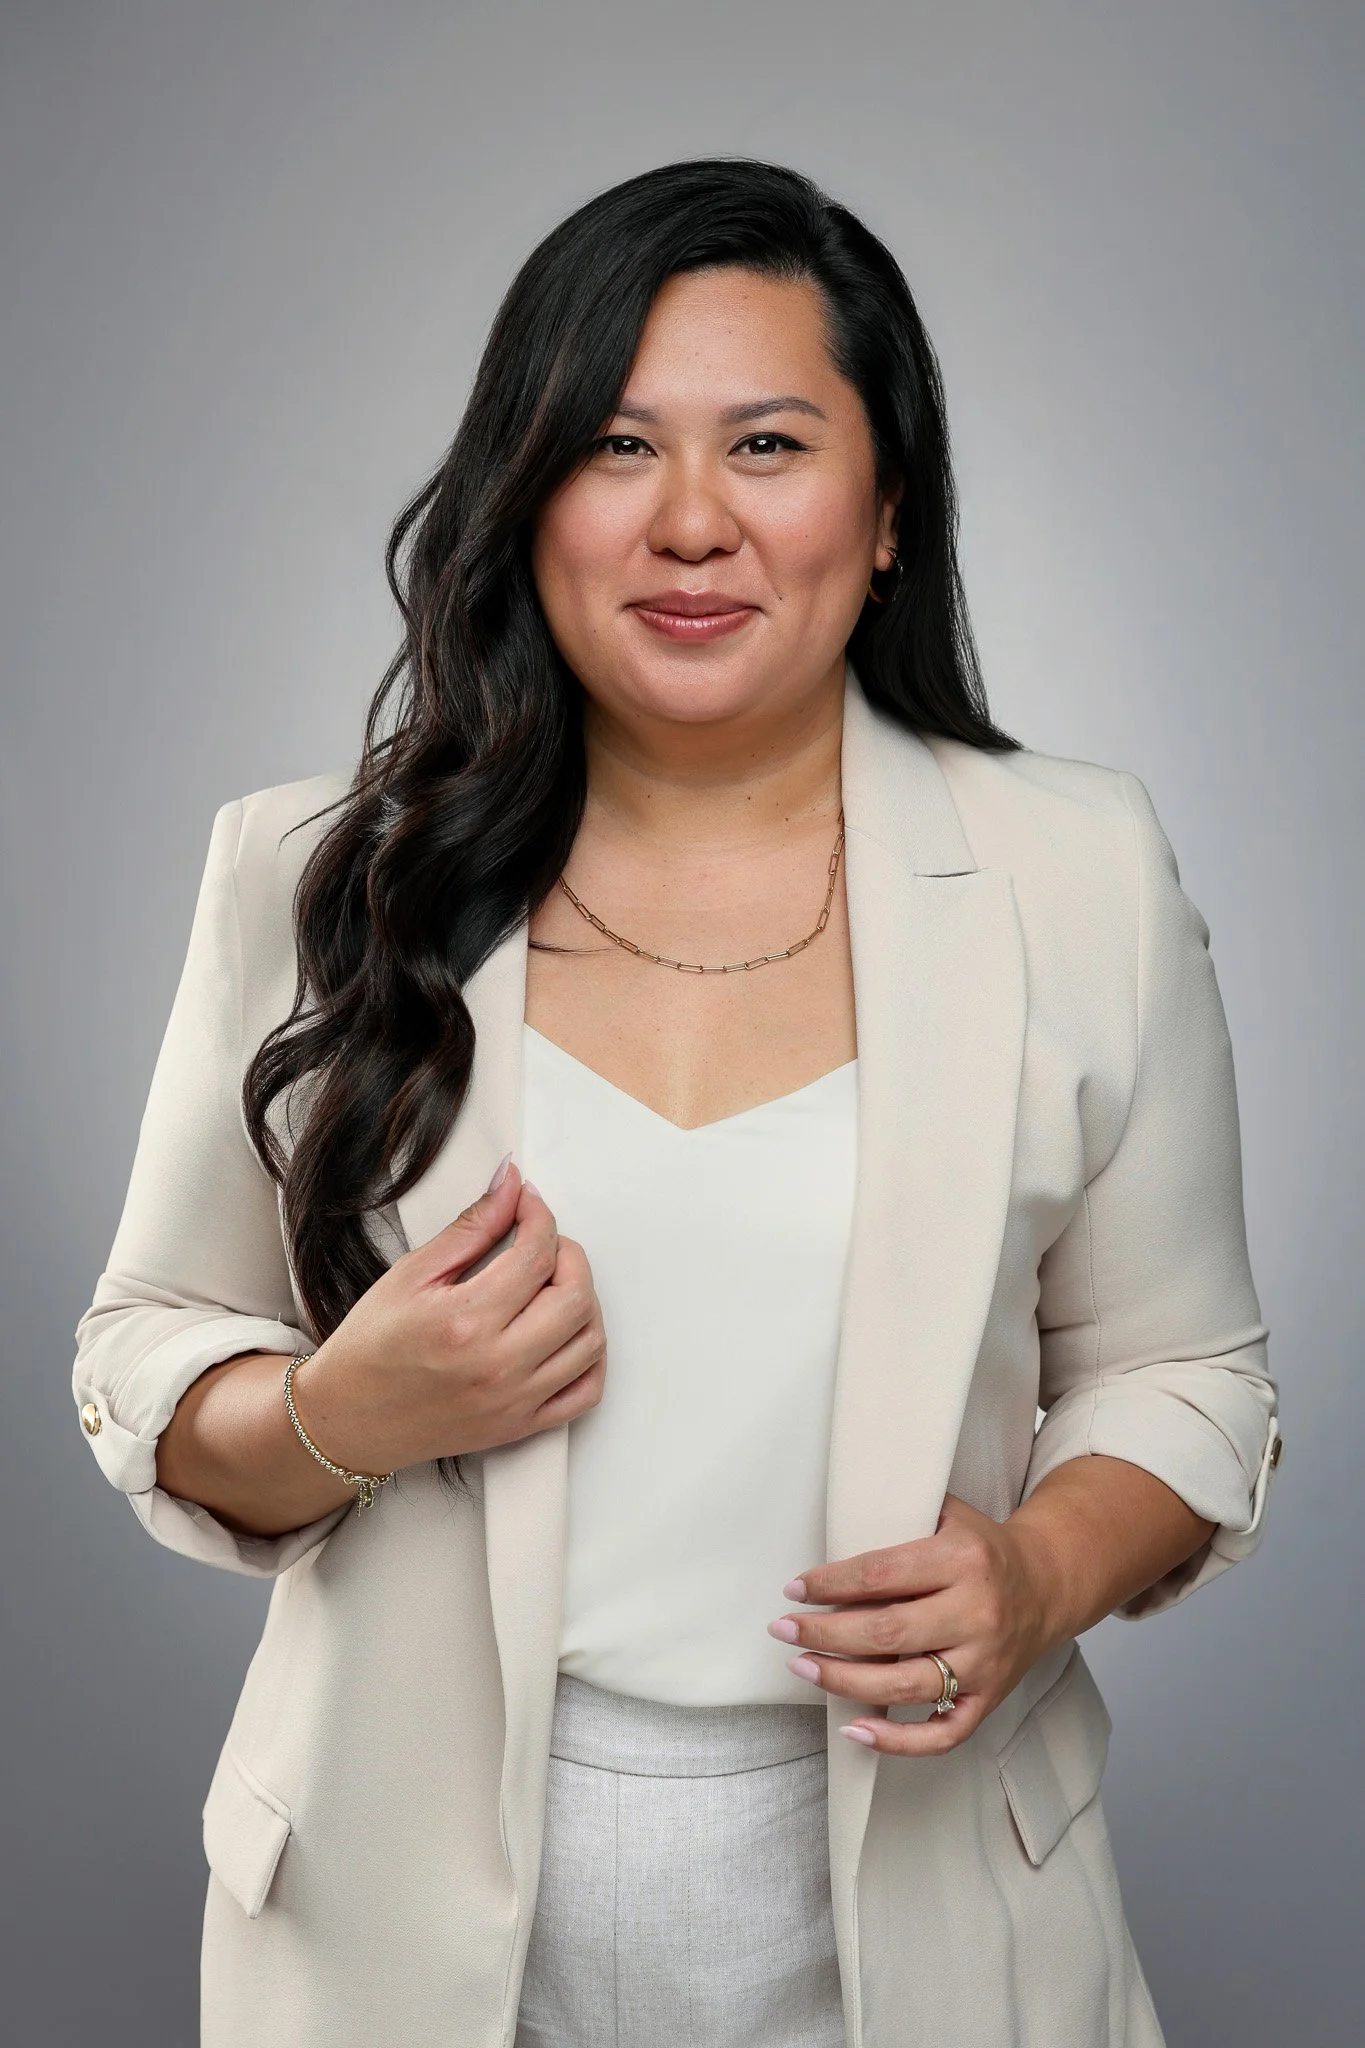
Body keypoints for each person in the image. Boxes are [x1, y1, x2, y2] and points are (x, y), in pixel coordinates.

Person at [72, 158, 1281, 2048]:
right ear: (527, 494)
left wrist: (1041, 1572)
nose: (692, 523)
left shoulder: (1079, 873)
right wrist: (338, 1417)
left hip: (934, 1904)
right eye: (617, 446)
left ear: (889, 510)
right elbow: (147, 1351)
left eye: (771, 445)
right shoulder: (313, 877)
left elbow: (1188, 1370)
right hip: (392, 1919)